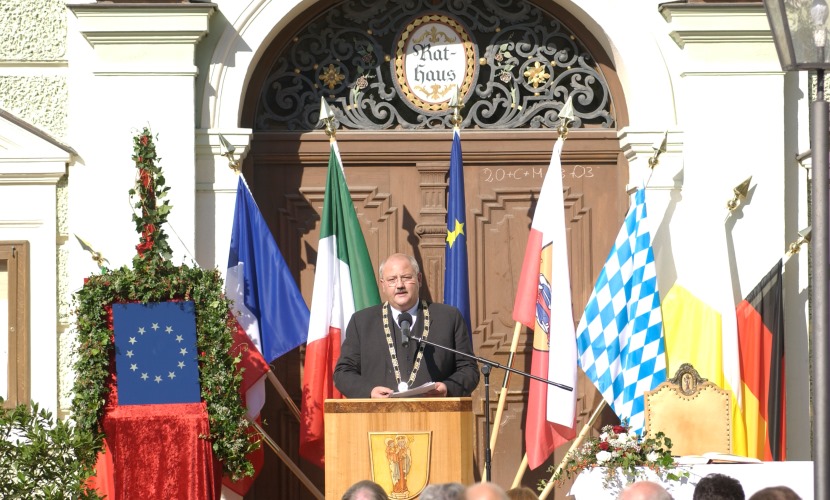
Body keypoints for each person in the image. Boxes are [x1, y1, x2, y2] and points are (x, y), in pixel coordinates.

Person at [334, 253, 480, 398]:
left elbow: (468, 369)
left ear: (419, 279)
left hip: (435, 415)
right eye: (392, 280)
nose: (399, 285)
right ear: (383, 285)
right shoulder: (362, 322)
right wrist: (369, 391)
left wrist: (447, 387)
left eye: (406, 277)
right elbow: (343, 373)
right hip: (378, 416)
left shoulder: (448, 317)